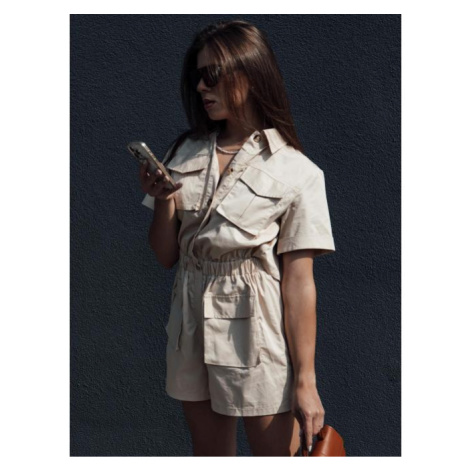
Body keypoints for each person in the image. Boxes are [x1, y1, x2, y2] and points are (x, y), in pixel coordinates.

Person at [138, 20, 336, 456]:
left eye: (212, 75)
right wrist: (165, 200)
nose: (201, 87)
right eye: (198, 76)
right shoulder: (184, 152)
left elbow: (299, 282)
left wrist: (306, 381)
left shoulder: (297, 171)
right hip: (190, 320)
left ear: (250, 74)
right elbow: (166, 255)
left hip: (256, 327)